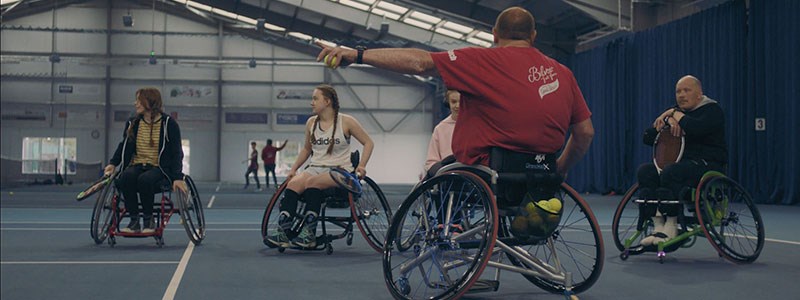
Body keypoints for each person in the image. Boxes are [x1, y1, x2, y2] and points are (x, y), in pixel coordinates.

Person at [316, 6, 593, 179]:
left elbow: (420, 62)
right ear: (533, 36)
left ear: (494, 34)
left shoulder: (482, 60)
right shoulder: (563, 73)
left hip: (487, 171)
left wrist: (358, 54)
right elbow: (585, 133)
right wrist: (559, 168)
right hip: (541, 172)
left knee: (436, 173)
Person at [266, 84, 374, 248]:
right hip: (315, 166)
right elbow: (307, 149)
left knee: (312, 183)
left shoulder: (346, 121)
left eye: (315, 99)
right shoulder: (311, 123)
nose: (312, 102)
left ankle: (308, 234)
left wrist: (362, 165)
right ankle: (283, 232)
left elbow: (368, 142)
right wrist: (294, 169)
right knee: (293, 184)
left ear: (327, 101)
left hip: (340, 170)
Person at [637, 75, 727, 246]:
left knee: (671, 172)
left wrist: (674, 113)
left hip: (708, 164)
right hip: (681, 165)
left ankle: (671, 224)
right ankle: (658, 225)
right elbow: (648, 138)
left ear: (699, 94)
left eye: (687, 90)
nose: (681, 95)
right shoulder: (676, 114)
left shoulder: (712, 110)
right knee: (645, 171)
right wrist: (667, 120)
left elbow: (695, 128)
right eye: (678, 91)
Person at [104, 87, 187, 234]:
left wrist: (178, 177)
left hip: (159, 169)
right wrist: (112, 163)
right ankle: (134, 221)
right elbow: (124, 145)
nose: (136, 104)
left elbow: (176, 153)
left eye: (139, 100)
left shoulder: (169, 124)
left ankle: (149, 220)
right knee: (126, 177)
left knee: (145, 180)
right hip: (137, 165)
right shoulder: (133, 124)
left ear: (150, 102)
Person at [423, 90, 460, 178]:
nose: (457, 106)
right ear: (448, 103)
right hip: (445, 174)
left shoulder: (476, 127)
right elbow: (431, 162)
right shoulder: (440, 129)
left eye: (461, 102)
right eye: (454, 102)